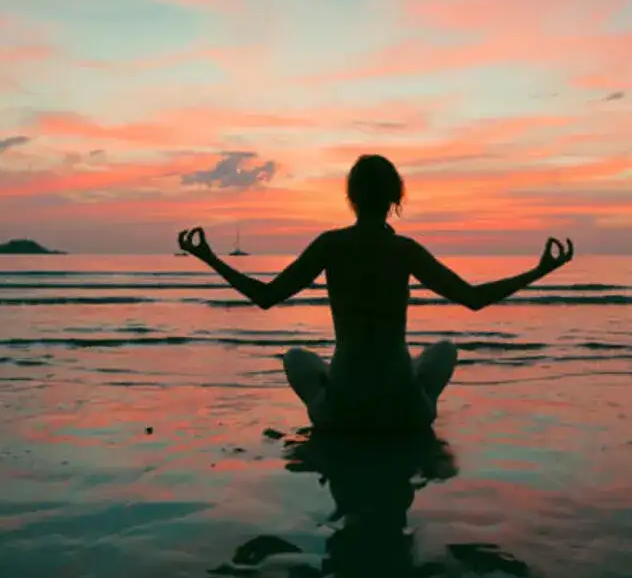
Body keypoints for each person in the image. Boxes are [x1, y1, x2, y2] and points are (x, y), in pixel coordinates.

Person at [177, 154, 573, 430]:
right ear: (395, 198)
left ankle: (340, 390)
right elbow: (474, 298)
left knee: (296, 357)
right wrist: (539, 271)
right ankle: (415, 393)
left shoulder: (331, 244)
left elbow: (265, 297)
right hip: (404, 414)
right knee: (445, 351)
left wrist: (210, 258)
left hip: (341, 414)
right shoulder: (404, 250)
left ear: (351, 198)